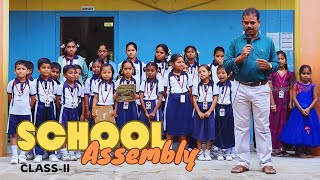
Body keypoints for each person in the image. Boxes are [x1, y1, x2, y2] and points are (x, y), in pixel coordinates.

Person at [224, 8, 279, 174]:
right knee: (241, 127)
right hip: (240, 87)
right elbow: (226, 64)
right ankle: (243, 162)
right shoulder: (235, 42)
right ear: (242, 23)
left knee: (262, 127)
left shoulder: (268, 42)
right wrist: (240, 58)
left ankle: (266, 163)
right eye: (246, 23)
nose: (249, 26)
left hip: (261, 88)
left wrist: (269, 66)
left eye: (252, 23)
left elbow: (276, 63)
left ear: (259, 23)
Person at [279, 65, 320, 157]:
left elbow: (315, 98)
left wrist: (308, 109)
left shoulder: (312, 86)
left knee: (309, 130)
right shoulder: (296, 85)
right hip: (298, 112)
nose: (306, 75)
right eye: (304, 73)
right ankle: (299, 150)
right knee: (299, 130)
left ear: (311, 74)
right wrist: (301, 109)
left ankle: (307, 150)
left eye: (308, 73)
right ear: (300, 74)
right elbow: (294, 98)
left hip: (310, 112)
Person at [7, 60, 36, 164]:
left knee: (25, 134)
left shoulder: (31, 84)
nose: (21, 71)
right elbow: (10, 97)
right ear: (15, 71)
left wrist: (28, 107)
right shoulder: (11, 83)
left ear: (28, 71)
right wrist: (14, 106)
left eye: (23, 69)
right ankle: (15, 155)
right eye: (18, 69)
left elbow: (33, 98)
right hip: (14, 113)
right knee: (13, 134)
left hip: (26, 113)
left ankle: (23, 155)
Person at [32, 58, 59, 163]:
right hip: (40, 106)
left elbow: (56, 97)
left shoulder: (54, 83)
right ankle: (38, 153)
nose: (46, 70)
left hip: (51, 106)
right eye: (43, 68)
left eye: (48, 68)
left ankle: (52, 152)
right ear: (39, 70)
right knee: (39, 128)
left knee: (52, 128)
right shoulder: (34, 82)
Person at [269, 51, 295, 156]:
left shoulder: (290, 74)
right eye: (278, 59)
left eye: (282, 58)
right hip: (275, 99)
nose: (280, 61)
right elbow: (269, 89)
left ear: (286, 60)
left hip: (285, 101)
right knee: (273, 123)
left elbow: (292, 88)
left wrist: (291, 102)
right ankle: (274, 148)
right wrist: (272, 103)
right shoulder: (272, 73)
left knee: (284, 123)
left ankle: (283, 148)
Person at [164, 54, 193, 143]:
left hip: (185, 102)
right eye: (178, 62)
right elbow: (165, 91)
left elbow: (190, 89)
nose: (181, 64)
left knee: (183, 124)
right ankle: (168, 150)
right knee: (171, 123)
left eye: (182, 62)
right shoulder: (168, 75)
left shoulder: (187, 75)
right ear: (172, 64)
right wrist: (174, 97)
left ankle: (182, 150)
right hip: (172, 102)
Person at [56, 65, 82, 161]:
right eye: (70, 73)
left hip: (74, 109)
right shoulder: (61, 86)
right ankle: (63, 151)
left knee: (73, 130)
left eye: (75, 73)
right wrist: (61, 109)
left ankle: (71, 150)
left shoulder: (78, 86)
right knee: (63, 130)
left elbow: (79, 98)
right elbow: (58, 99)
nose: (73, 75)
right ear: (64, 75)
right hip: (65, 109)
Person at [192, 65, 218, 161]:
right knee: (199, 130)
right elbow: (194, 99)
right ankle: (199, 152)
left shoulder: (214, 85)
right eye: (199, 72)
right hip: (199, 108)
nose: (201, 73)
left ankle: (207, 151)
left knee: (209, 130)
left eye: (203, 71)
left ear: (209, 73)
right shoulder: (197, 85)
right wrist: (198, 112)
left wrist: (210, 111)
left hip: (210, 109)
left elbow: (215, 99)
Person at [214, 65, 235, 161]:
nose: (221, 75)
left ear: (229, 74)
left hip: (229, 108)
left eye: (223, 73)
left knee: (228, 129)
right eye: (219, 73)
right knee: (219, 129)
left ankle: (228, 151)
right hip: (219, 108)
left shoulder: (232, 84)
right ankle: (219, 151)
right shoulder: (216, 85)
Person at [117, 42, 146, 108]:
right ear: (126, 52)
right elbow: (119, 80)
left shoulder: (142, 65)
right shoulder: (120, 65)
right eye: (128, 50)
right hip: (124, 96)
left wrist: (140, 96)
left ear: (136, 51)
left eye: (133, 50)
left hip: (137, 96)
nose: (130, 52)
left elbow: (144, 80)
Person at [115, 60, 140, 131]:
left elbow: (139, 95)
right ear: (122, 70)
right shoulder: (118, 81)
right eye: (125, 69)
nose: (127, 71)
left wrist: (136, 96)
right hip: (121, 105)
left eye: (129, 69)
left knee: (132, 123)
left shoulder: (136, 81)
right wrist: (115, 97)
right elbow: (115, 95)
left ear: (133, 69)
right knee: (121, 123)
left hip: (132, 105)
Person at [139, 62, 164, 127]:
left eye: (152, 71)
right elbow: (141, 97)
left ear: (156, 71)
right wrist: (145, 112)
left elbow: (160, 98)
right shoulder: (143, 83)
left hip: (155, 105)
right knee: (143, 125)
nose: (150, 72)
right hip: (144, 105)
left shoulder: (159, 83)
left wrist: (154, 112)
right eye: (148, 71)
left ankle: (156, 137)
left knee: (156, 126)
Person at [84, 59, 103, 128]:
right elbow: (86, 95)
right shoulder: (89, 80)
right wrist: (87, 109)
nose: (96, 69)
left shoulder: (105, 80)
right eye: (94, 67)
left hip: (102, 102)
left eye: (98, 67)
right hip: (92, 102)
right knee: (92, 121)